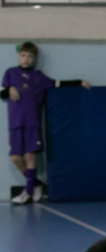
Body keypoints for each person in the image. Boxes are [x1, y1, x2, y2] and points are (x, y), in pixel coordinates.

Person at [1, 42, 91, 205]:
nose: (26, 59)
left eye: (30, 56)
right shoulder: (10, 73)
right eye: (23, 55)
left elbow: (58, 84)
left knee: (30, 156)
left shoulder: (39, 77)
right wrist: (9, 89)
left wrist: (79, 82)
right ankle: (36, 184)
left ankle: (27, 192)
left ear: (35, 58)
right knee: (15, 157)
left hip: (32, 123)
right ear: (19, 56)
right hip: (15, 123)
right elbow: (2, 94)